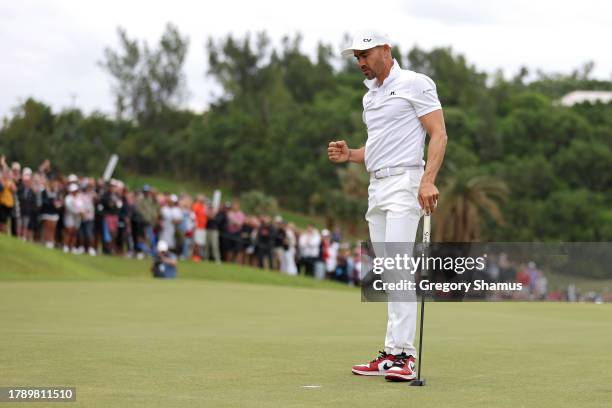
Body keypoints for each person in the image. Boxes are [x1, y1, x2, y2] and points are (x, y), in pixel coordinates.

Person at [328, 30, 447, 382]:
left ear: (385, 50)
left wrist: (428, 180)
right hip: (376, 186)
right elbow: (377, 148)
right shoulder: (371, 96)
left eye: (365, 54)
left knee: (397, 269)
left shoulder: (415, 83)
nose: (361, 62)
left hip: (405, 184)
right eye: (356, 57)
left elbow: (438, 133)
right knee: (387, 272)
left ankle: (405, 357)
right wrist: (350, 154)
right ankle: (392, 353)